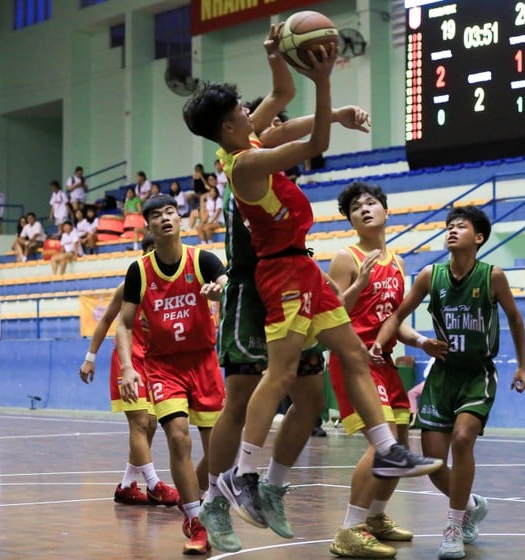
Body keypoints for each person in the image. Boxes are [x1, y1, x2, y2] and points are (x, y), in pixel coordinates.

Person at [182, 21, 442, 543]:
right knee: (273, 377)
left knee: (351, 354)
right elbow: (317, 140)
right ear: (229, 128)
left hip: (301, 268)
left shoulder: (241, 139)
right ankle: (241, 476)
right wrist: (325, 83)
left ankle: (386, 448)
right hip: (276, 274)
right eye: (242, 111)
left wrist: (275, 53)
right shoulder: (246, 162)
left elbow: (282, 94)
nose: (252, 112)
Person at [198, 90, 335, 552]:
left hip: (290, 280)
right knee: (238, 399)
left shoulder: (270, 171)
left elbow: (284, 102)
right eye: (265, 125)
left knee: (311, 397)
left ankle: (272, 487)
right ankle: (215, 500)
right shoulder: (244, 164)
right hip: (250, 288)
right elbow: (284, 112)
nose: (275, 131)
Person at [374, 206, 525, 560]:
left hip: (476, 374)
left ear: (479, 237)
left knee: (462, 440)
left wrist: (521, 366)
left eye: (461, 226)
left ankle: (453, 526)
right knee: (433, 464)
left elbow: (515, 319)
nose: (452, 230)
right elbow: (398, 315)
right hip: (441, 375)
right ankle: (471, 505)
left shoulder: (492, 276)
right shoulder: (431, 275)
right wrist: (383, 342)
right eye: (449, 226)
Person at [327, 181, 450, 558]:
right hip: (353, 360)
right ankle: (349, 529)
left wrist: (421, 341)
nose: (364, 209)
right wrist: (359, 284)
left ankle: (376, 517)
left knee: (399, 442)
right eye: (355, 208)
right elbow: (330, 314)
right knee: (382, 445)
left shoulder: (397, 262)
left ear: (385, 211)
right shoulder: (345, 258)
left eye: (370, 203)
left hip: (384, 362)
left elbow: (393, 320)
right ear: (350, 221)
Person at [116, 194, 227, 555]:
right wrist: (128, 368)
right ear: (148, 226)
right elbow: (124, 324)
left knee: (217, 450)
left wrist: (220, 291)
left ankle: (203, 499)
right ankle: (195, 521)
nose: (165, 218)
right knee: (179, 438)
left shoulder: (203, 260)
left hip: (204, 362)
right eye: (156, 215)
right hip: (164, 366)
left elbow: (228, 284)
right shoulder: (139, 271)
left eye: (170, 212)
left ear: (180, 220)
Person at [79, 235, 180, 507]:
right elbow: (105, 322)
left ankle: (126, 486)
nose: (152, 257)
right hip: (128, 360)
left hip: (153, 362)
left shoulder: (170, 286)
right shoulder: (128, 286)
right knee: (139, 423)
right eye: (148, 252)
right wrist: (90, 358)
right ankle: (154, 484)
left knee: (152, 423)